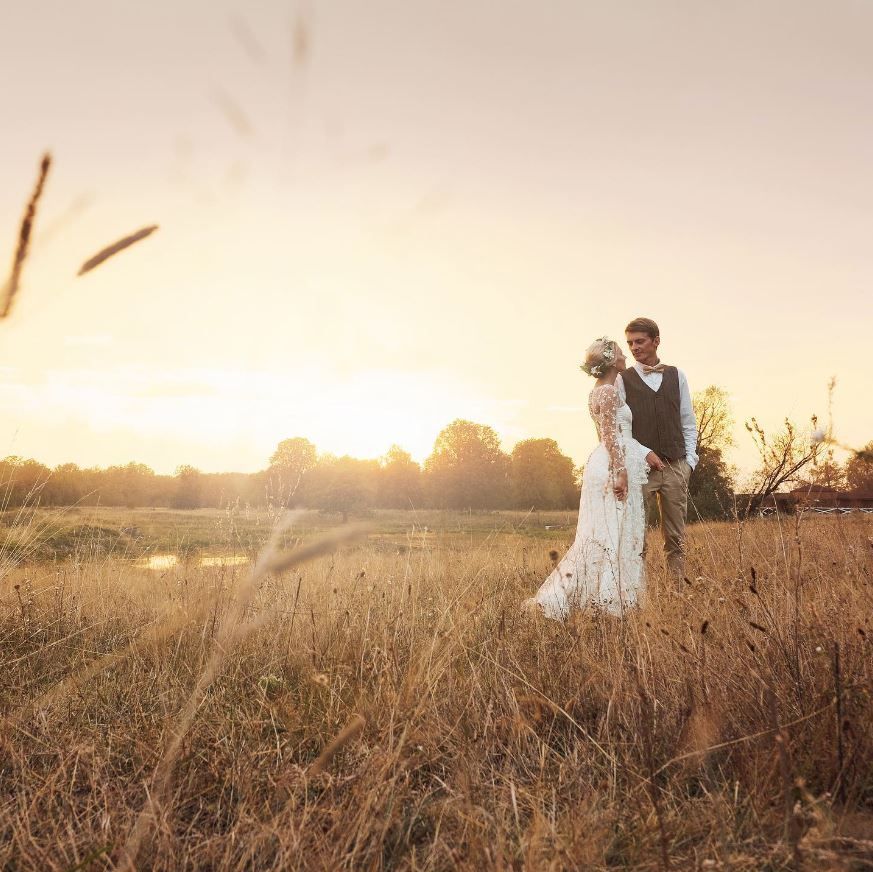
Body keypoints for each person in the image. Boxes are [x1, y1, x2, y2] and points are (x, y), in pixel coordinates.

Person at [524, 337, 664, 619]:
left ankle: (608, 598)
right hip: (612, 464)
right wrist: (620, 472)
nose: (627, 354)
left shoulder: (597, 391)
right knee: (611, 533)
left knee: (604, 533)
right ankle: (608, 602)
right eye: (622, 351)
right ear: (612, 360)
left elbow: (609, 437)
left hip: (604, 461)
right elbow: (610, 438)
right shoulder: (609, 393)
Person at [623, 317, 698, 580]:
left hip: (677, 466)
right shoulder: (624, 379)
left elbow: (688, 420)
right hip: (641, 471)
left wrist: (690, 462)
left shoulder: (677, 375)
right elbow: (622, 431)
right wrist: (643, 453)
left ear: (656, 341)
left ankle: (677, 594)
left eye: (640, 341)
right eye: (630, 343)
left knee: (676, 538)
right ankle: (637, 594)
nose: (634, 347)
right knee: (637, 537)